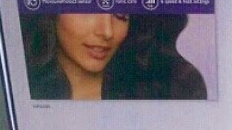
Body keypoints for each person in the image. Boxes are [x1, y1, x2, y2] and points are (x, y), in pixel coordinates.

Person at [21, 13, 207, 101]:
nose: (107, 31)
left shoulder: (170, 90)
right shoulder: (22, 91)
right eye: (89, 8)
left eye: (120, 14)